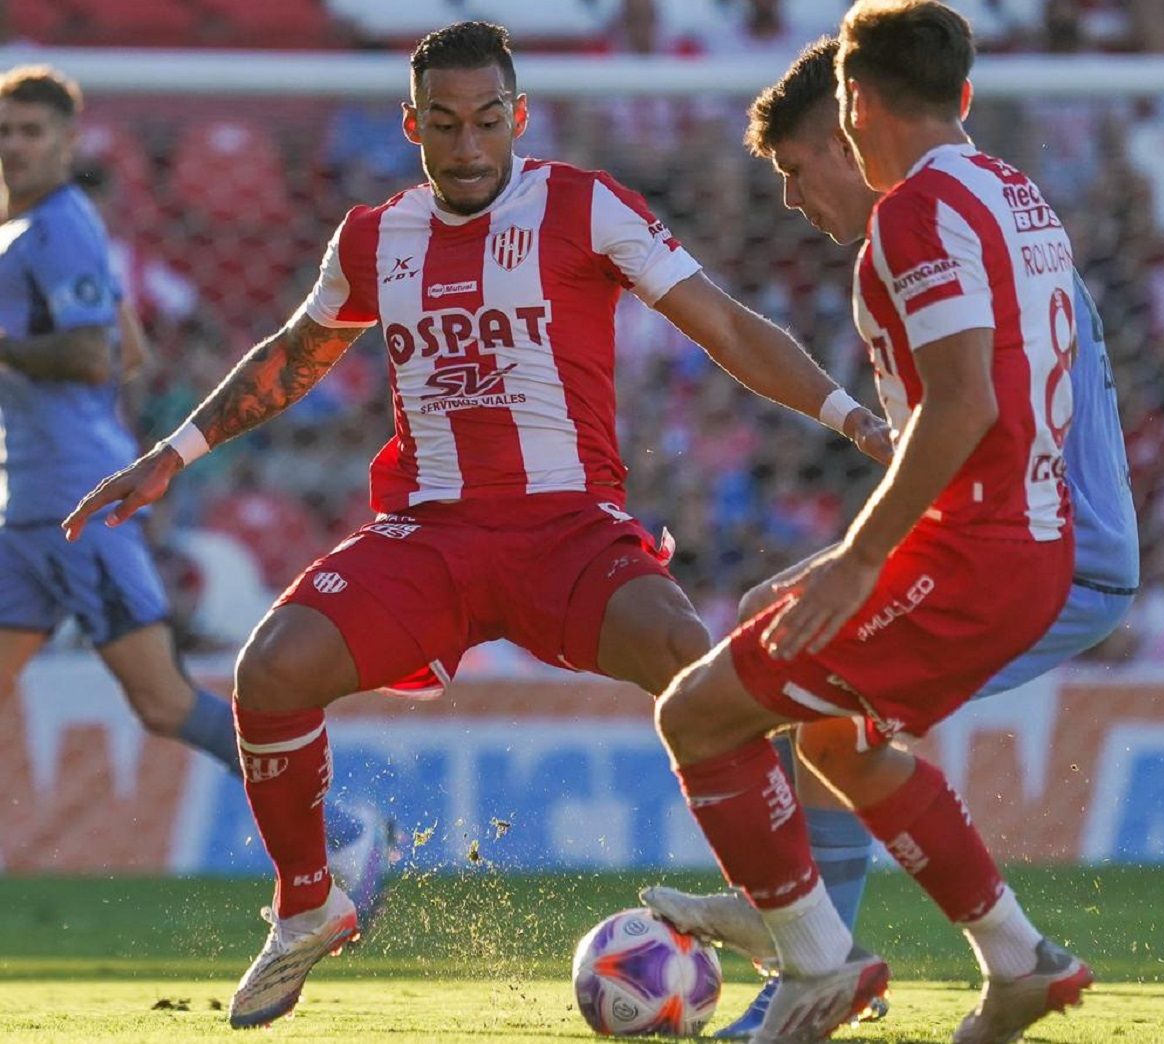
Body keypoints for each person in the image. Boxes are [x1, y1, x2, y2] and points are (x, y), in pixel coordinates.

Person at [61, 22, 892, 1029]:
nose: (467, 146)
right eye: (444, 124)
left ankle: (798, 939)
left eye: (487, 121)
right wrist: (172, 455)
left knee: (695, 664)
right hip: (434, 538)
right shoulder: (374, 237)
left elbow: (721, 323)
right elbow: (294, 354)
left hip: (571, 535)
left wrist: (850, 417)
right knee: (269, 671)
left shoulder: (584, 207)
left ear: (518, 119)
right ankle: (308, 905)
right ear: (412, 125)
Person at [643, 31, 1139, 1039]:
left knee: (703, 714)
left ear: (853, 113)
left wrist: (865, 553)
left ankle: (812, 953)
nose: (790, 199)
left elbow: (962, 408)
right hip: (1020, 535)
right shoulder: (1012, 192)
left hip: (1007, 548)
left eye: (793, 169)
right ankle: (1007, 956)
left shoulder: (918, 214)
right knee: (820, 713)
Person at [0, 66, 389, 920]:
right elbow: (128, 347)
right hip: (32, 501)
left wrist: (54, 397)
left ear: (67, 144)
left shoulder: (54, 228)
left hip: (73, 505)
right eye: (6, 132)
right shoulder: (49, 231)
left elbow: (98, 357)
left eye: (33, 132)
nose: (16, 146)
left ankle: (345, 831)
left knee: (164, 700)